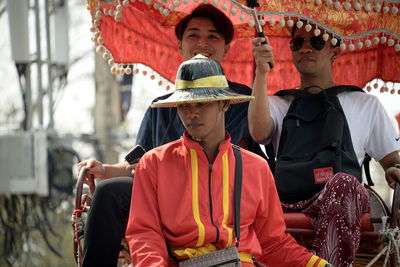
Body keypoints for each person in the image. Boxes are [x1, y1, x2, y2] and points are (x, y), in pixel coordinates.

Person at [78, 4, 265, 266]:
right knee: (109, 191)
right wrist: (106, 170)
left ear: (224, 104)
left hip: (220, 189)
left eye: (213, 36)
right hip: (164, 190)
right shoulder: (160, 107)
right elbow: (140, 162)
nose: (203, 42)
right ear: (179, 45)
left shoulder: (241, 99)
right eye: (194, 35)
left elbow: (241, 156)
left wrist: (263, 73)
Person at [126, 54, 330, 267]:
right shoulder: (154, 163)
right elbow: (144, 234)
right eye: (184, 105)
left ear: (224, 104)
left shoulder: (257, 167)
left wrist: (319, 265)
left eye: (202, 104)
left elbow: (273, 244)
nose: (192, 113)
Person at [248, 22, 400, 266]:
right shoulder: (278, 103)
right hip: (287, 198)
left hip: (342, 196)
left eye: (316, 41)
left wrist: (394, 170)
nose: (306, 48)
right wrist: (261, 72)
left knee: (344, 183)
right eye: (298, 43)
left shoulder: (365, 103)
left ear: (335, 51)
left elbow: (393, 162)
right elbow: (258, 133)